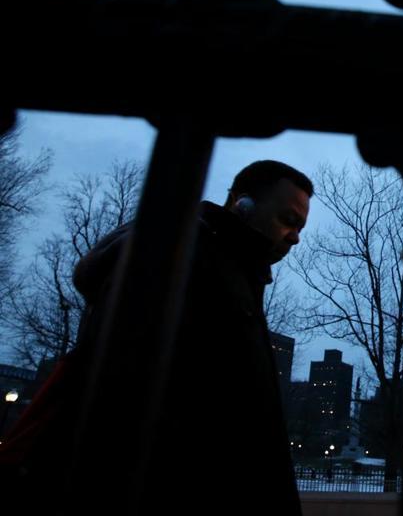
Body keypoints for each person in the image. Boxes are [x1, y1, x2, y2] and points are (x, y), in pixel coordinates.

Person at [0, 160, 312, 514]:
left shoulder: (227, 267)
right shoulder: (191, 258)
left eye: (300, 226)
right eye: (288, 220)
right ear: (243, 204)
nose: (296, 236)